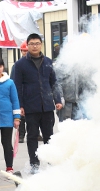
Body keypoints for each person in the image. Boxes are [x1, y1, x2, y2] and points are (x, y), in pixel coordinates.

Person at [12, 33, 63, 174]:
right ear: (27, 46)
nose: (35, 46)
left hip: (47, 106)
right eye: (32, 44)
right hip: (30, 107)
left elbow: (54, 83)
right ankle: (34, 164)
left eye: (37, 43)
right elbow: (17, 86)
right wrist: (20, 105)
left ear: (41, 44)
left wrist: (57, 100)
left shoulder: (48, 62)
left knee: (49, 136)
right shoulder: (20, 64)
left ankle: (51, 162)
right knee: (32, 136)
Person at [10, 41, 28, 143]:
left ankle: (35, 133)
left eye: (26, 50)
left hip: (30, 94)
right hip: (20, 92)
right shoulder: (18, 65)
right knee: (21, 115)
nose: (25, 52)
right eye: (23, 51)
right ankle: (21, 135)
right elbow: (13, 80)